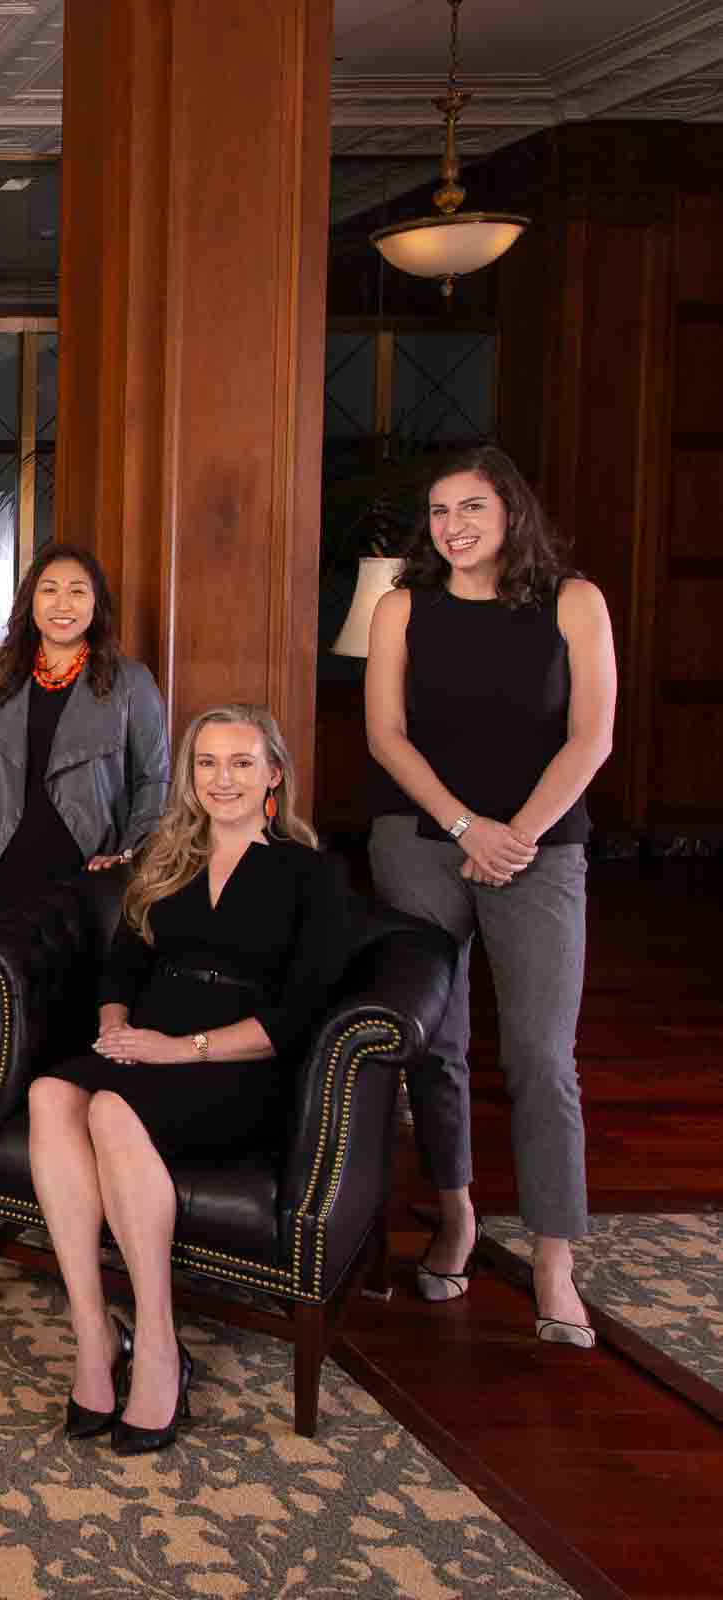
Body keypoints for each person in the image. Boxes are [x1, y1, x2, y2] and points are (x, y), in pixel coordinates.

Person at [26, 705, 350, 1455]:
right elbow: (123, 969)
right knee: (50, 1095)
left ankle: (162, 1348)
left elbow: (300, 1016)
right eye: (207, 763)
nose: (223, 779)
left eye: (241, 763)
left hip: (241, 1064)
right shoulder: (165, 859)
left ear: (274, 774)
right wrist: (114, 1025)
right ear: (189, 775)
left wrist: (181, 1049)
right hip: (145, 1047)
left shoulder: (312, 874)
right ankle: (94, 1335)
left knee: (108, 1111)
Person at [364, 445, 616, 1348]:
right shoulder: (402, 607)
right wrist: (469, 827)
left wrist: (517, 835)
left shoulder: (574, 601)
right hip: (421, 841)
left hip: (542, 850)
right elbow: (385, 736)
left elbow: (591, 738)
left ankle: (554, 1258)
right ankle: (458, 1213)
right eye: (438, 511)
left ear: (512, 511)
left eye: (471, 507)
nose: (453, 526)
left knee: (543, 1056)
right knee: (436, 1046)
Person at [0, 543, 169, 918]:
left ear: (95, 603)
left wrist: (129, 855)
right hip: (6, 867)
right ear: (30, 601)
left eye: (77, 591)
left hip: (91, 870)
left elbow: (155, 780)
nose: (62, 605)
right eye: (49, 590)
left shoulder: (132, 682)